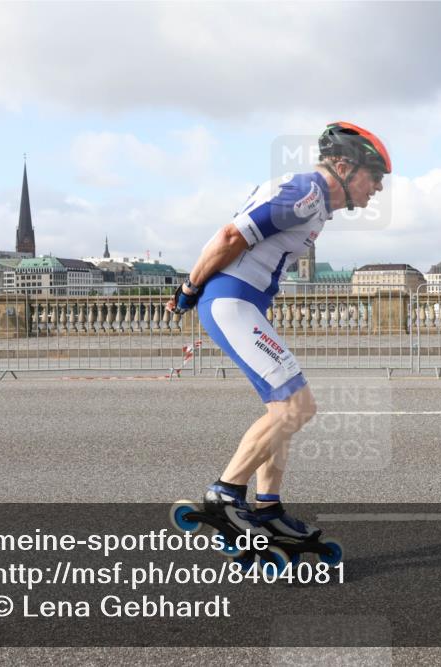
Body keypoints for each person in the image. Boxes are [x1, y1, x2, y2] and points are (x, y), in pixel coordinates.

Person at [166, 122, 390, 542]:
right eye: (374, 176)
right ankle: (225, 494)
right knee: (295, 407)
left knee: (283, 411)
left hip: (245, 303)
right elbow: (230, 235)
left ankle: (267, 506)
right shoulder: (306, 194)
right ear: (344, 166)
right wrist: (189, 289)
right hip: (232, 301)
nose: (377, 187)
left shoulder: (315, 202)